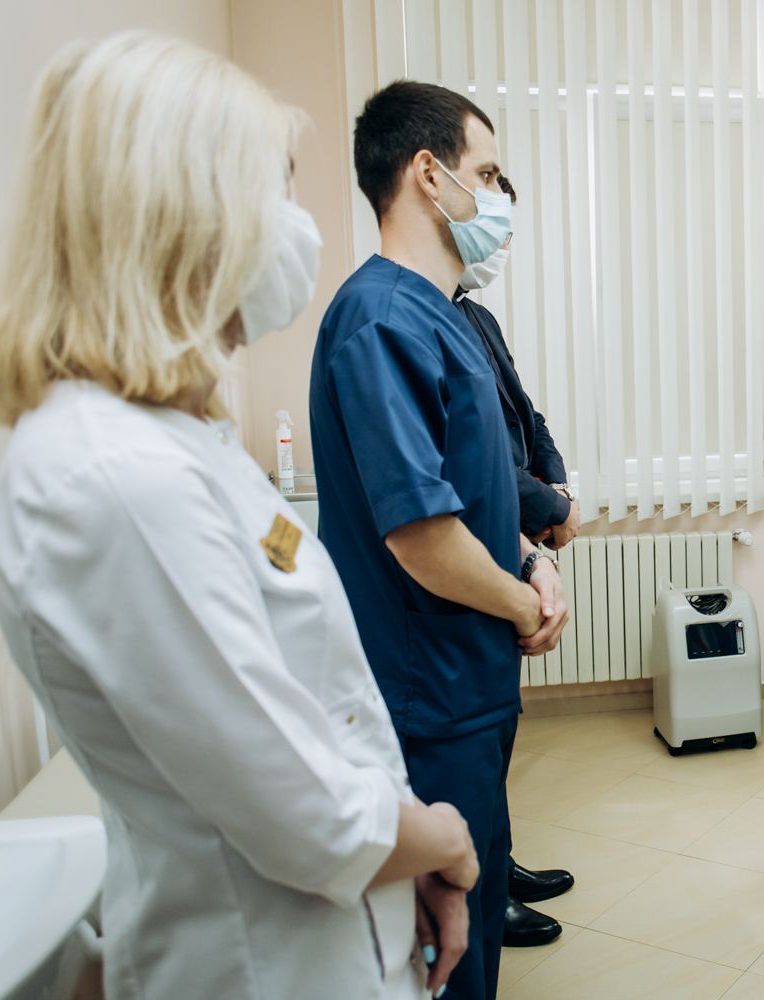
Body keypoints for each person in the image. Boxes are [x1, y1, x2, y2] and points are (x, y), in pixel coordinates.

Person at [0, 33, 481, 1000]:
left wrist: (400, 859)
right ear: (180, 212)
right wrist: (442, 838)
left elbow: (313, 714)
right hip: (264, 965)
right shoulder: (110, 474)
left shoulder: (178, 439)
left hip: (339, 929)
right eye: (274, 191)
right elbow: (304, 810)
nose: (297, 227)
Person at [309, 80, 568, 1000]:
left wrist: (532, 559)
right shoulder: (380, 320)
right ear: (429, 174)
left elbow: (475, 493)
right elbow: (421, 536)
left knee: (479, 906)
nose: (499, 197)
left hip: (471, 683)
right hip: (428, 694)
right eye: (487, 175)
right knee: (445, 953)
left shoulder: (443, 318)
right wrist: (523, 605)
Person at [450, 207, 578, 948]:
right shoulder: (418, 322)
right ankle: (485, 892)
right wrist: (549, 512)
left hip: (516, 530)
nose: (500, 245)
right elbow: (481, 460)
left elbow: (526, 419)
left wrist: (557, 490)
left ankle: (500, 867)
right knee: (479, 745)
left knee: (502, 730)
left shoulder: (478, 317)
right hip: (485, 546)